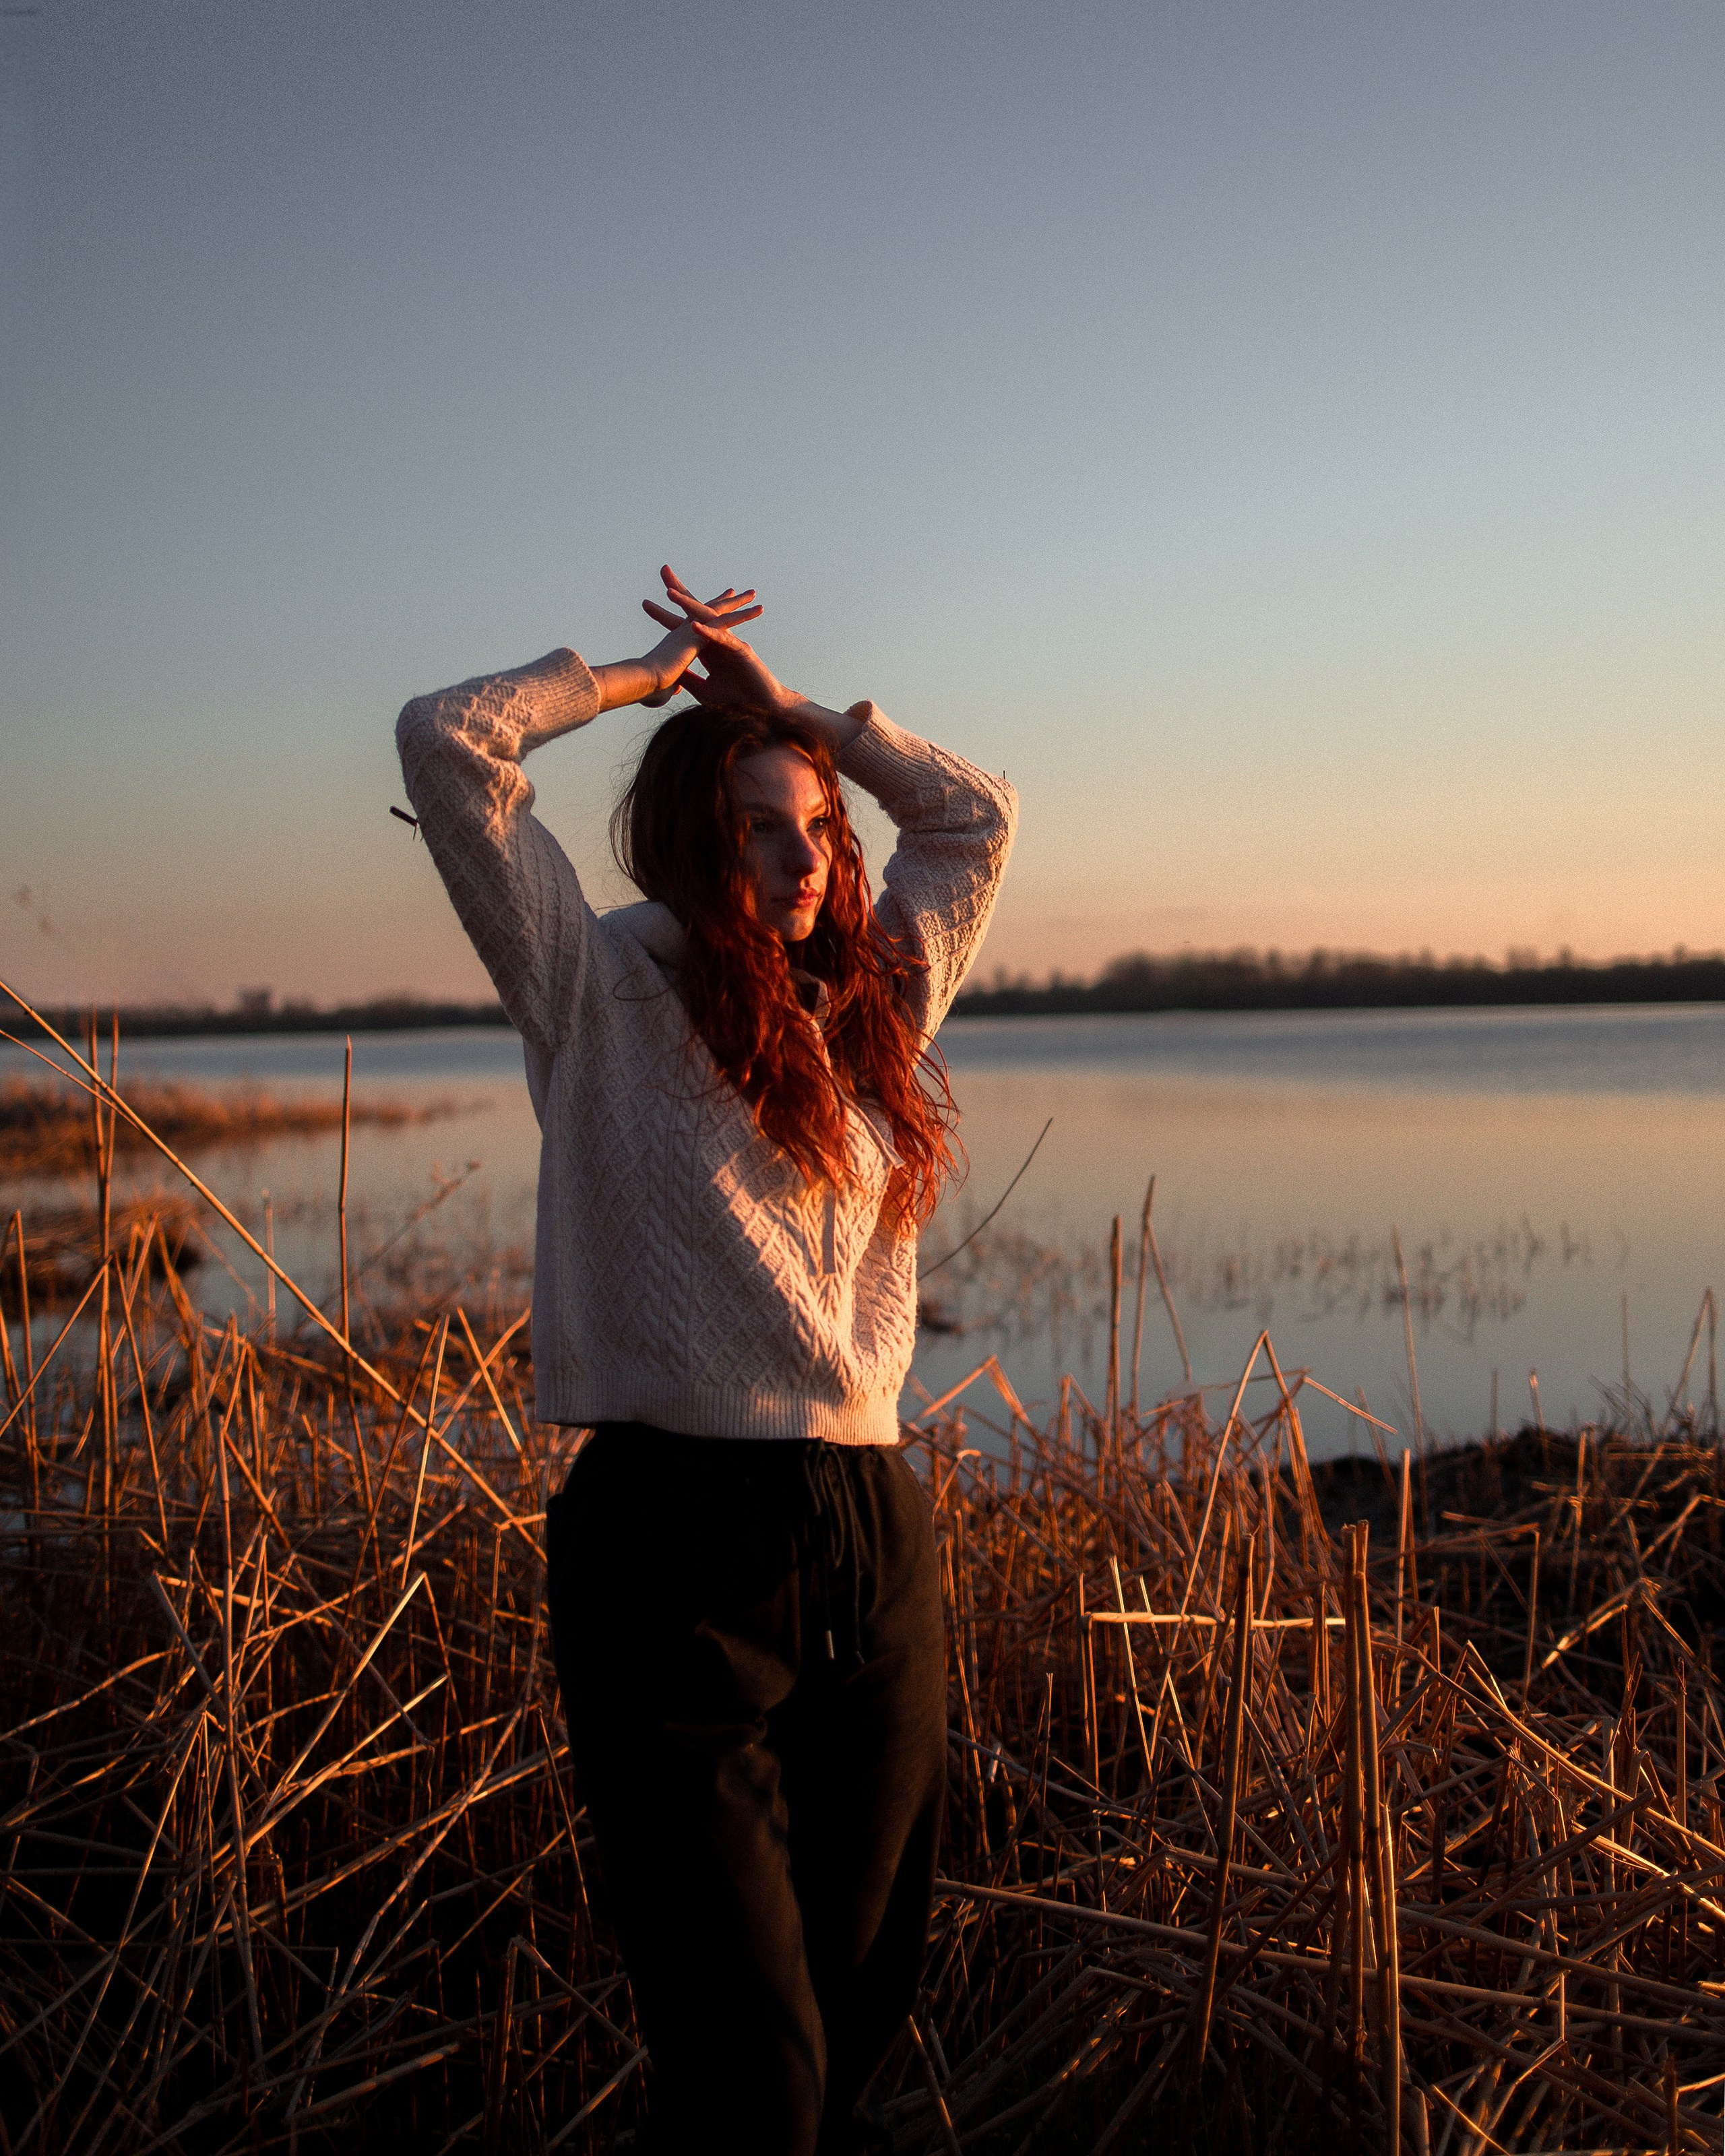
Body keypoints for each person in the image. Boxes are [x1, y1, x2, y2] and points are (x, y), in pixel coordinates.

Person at [396, 568, 1016, 2154]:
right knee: (753, 2070)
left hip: (873, 1541)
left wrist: (798, 718)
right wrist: (641, 678)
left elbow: (973, 823)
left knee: (855, 2013)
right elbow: (448, 743)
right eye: (755, 824)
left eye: (813, 828)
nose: (800, 860)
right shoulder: (594, 989)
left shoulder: (872, 1004)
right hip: (671, 1552)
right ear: (688, 837)